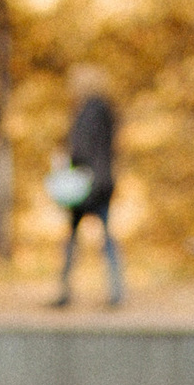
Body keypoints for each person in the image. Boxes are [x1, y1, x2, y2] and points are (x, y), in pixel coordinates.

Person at [51, 68, 124, 310]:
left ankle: (65, 288)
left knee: (74, 236)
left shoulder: (86, 113)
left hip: (86, 183)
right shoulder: (107, 111)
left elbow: (81, 149)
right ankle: (116, 288)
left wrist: (66, 163)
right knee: (104, 234)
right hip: (104, 180)